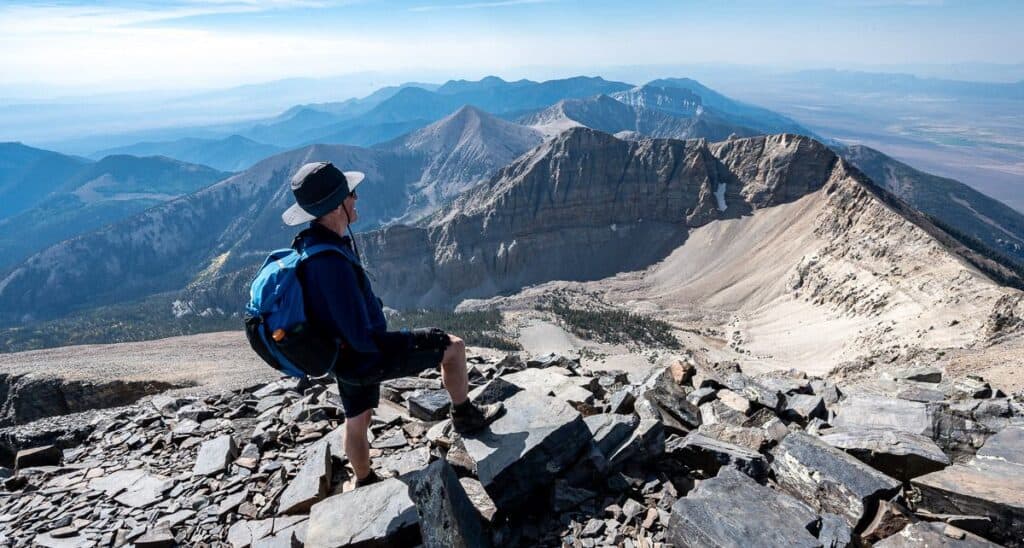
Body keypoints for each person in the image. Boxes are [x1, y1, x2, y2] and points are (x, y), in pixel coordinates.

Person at [281, 161, 503, 488]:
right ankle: (465, 417)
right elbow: (360, 333)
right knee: (453, 347)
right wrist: (401, 342)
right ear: (335, 206)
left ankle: (365, 480)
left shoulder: (310, 245)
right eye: (350, 193)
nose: (356, 198)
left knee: (357, 419)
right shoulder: (330, 264)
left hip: (341, 359)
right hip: (364, 356)